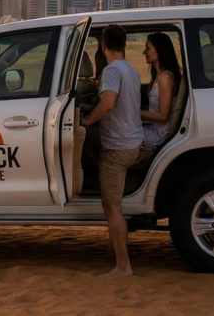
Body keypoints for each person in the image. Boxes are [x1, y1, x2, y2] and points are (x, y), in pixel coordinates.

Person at [79, 24, 143, 278]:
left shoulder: (111, 71)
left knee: (112, 207)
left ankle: (123, 267)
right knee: (82, 138)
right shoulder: (130, 69)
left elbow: (106, 105)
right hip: (131, 141)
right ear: (124, 45)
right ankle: (96, 173)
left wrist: (86, 121)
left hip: (117, 149)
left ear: (103, 46)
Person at [140, 33, 182, 150]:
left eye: (148, 48)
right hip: (153, 129)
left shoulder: (165, 78)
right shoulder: (157, 76)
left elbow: (163, 117)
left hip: (159, 136)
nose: (144, 52)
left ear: (159, 50)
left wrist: (133, 112)